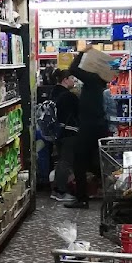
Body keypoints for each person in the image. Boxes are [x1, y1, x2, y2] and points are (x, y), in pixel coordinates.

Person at [65, 51, 109, 209]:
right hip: (99, 126)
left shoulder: (92, 79)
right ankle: (109, 190)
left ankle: (82, 199)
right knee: (95, 162)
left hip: (88, 126)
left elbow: (73, 69)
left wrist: (83, 52)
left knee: (79, 162)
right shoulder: (101, 81)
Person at [50, 70, 80, 201]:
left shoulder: (53, 93)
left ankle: (57, 190)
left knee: (62, 160)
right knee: (65, 161)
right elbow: (77, 113)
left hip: (58, 132)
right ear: (65, 80)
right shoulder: (68, 96)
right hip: (68, 132)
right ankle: (60, 191)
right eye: (72, 78)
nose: (74, 81)